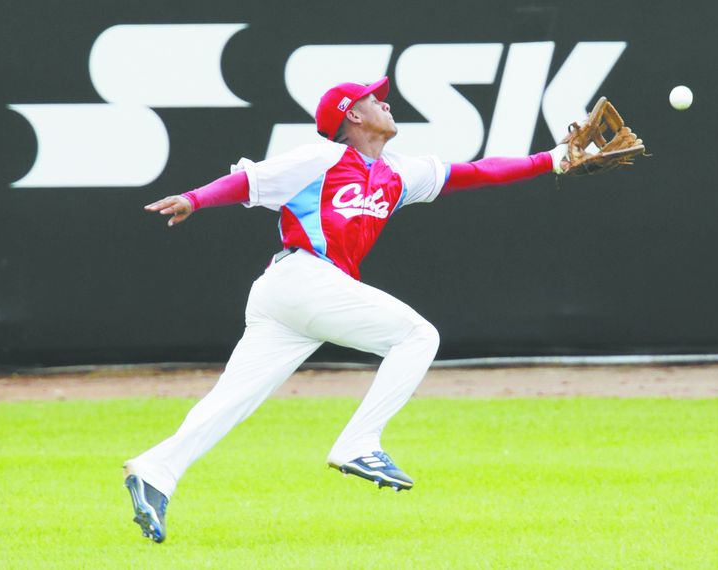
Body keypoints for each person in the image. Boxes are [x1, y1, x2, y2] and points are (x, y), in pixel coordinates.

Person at [124, 76, 570, 543]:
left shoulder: (400, 171)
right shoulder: (322, 157)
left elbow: (478, 172)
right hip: (302, 278)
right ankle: (359, 443)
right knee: (418, 337)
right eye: (374, 100)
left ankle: (156, 470)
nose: (386, 102)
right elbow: (250, 181)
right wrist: (196, 199)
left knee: (230, 401)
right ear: (352, 115)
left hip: (295, 294)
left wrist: (553, 160)